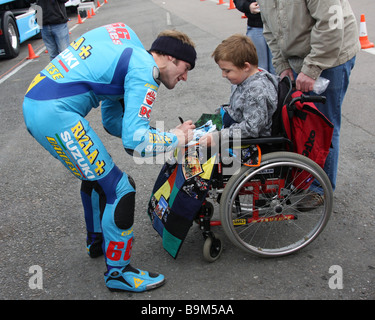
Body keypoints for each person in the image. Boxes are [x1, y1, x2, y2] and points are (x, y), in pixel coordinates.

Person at [23, 23, 196, 292]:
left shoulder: (128, 44)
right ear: (171, 58)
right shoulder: (144, 70)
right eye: (186, 68)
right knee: (121, 189)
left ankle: (97, 241)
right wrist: (177, 138)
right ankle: (119, 273)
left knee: (96, 179)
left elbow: (113, 122)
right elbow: (135, 141)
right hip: (55, 113)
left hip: (37, 101)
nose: (185, 77)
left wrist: (164, 134)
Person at [257, 0, 360, 207]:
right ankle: (304, 177)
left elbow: (330, 25)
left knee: (323, 123)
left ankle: (320, 188)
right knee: (299, 121)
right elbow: (270, 29)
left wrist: (312, 68)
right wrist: (282, 64)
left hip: (331, 56)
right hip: (298, 58)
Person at [199, 34, 279, 147]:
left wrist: (220, 135)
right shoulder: (243, 78)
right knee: (192, 135)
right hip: (233, 126)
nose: (223, 75)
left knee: (196, 151)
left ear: (246, 66)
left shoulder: (256, 90)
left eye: (227, 71)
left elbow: (252, 128)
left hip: (247, 142)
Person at [233, 0, 275, 74]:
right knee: (258, 69)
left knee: (277, 69)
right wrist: (248, 6)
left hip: (277, 27)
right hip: (256, 26)